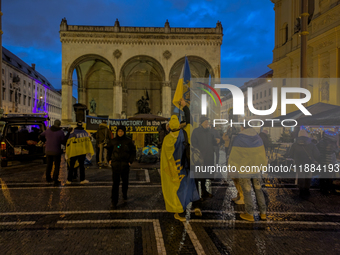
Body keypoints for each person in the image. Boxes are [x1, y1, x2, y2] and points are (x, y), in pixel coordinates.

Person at [160, 115, 200, 222]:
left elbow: (164, 157)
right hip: (185, 166)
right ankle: (195, 205)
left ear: (169, 126)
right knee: (185, 186)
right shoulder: (184, 134)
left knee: (176, 189)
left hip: (173, 169)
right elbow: (190, 121)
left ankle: (180, 211)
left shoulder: (167, 139)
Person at [228, 125, 267, 221]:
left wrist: (232, 165)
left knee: (247, 191)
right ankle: (263, 213)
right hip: (256, 168)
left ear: (243, 128)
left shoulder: (239, 138)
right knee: (259, 190)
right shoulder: (258, 137)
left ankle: (249, 214)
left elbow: (235, 154)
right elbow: (262, 153)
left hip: (244, 169)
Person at [107, 125, 136, 209]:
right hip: (115, 165)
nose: (120, 133)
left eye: (122, 131)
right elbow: (109, 151)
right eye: (119, 131)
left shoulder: (128, 141)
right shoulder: (113, 141)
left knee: (125, 182)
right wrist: (109, 160)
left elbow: (133, 152)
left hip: (125, 165)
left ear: (124, 132)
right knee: (115, 183)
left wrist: (130, 161)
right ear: (117, 132)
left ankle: (124, 193)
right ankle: (114, 201)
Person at [191, 116, 219, 199]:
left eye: (208, 121)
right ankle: (198, 195)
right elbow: (194, 143)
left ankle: (204, 192)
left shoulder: (209, 132)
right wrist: (199, 152)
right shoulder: (196, 131)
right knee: (200, 176)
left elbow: (212, 142)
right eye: (206, 122)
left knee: (206, 175)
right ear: (201, 122)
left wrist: (217, 141)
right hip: (201, 157)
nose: (207, 123)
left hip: (209, 157)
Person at [289, 130, 320, 198]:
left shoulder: (294, 144)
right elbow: (317, 154)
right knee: (308, 177)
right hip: (309, 164)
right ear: (306, 135)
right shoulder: (311, 144)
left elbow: (290, 154)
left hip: (299, 164)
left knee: (301, 177)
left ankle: (301, 192)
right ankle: (307, 191)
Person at [39, 120, 66, 186]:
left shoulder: (48, 130)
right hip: (56, 151)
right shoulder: (60, 132)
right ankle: (55, 179)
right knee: (57, 166)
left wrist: (45, 141)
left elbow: (40, 136)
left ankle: (48, 178)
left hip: (48, 150)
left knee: (49, 165)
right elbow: (63, 141)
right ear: (59, 124)